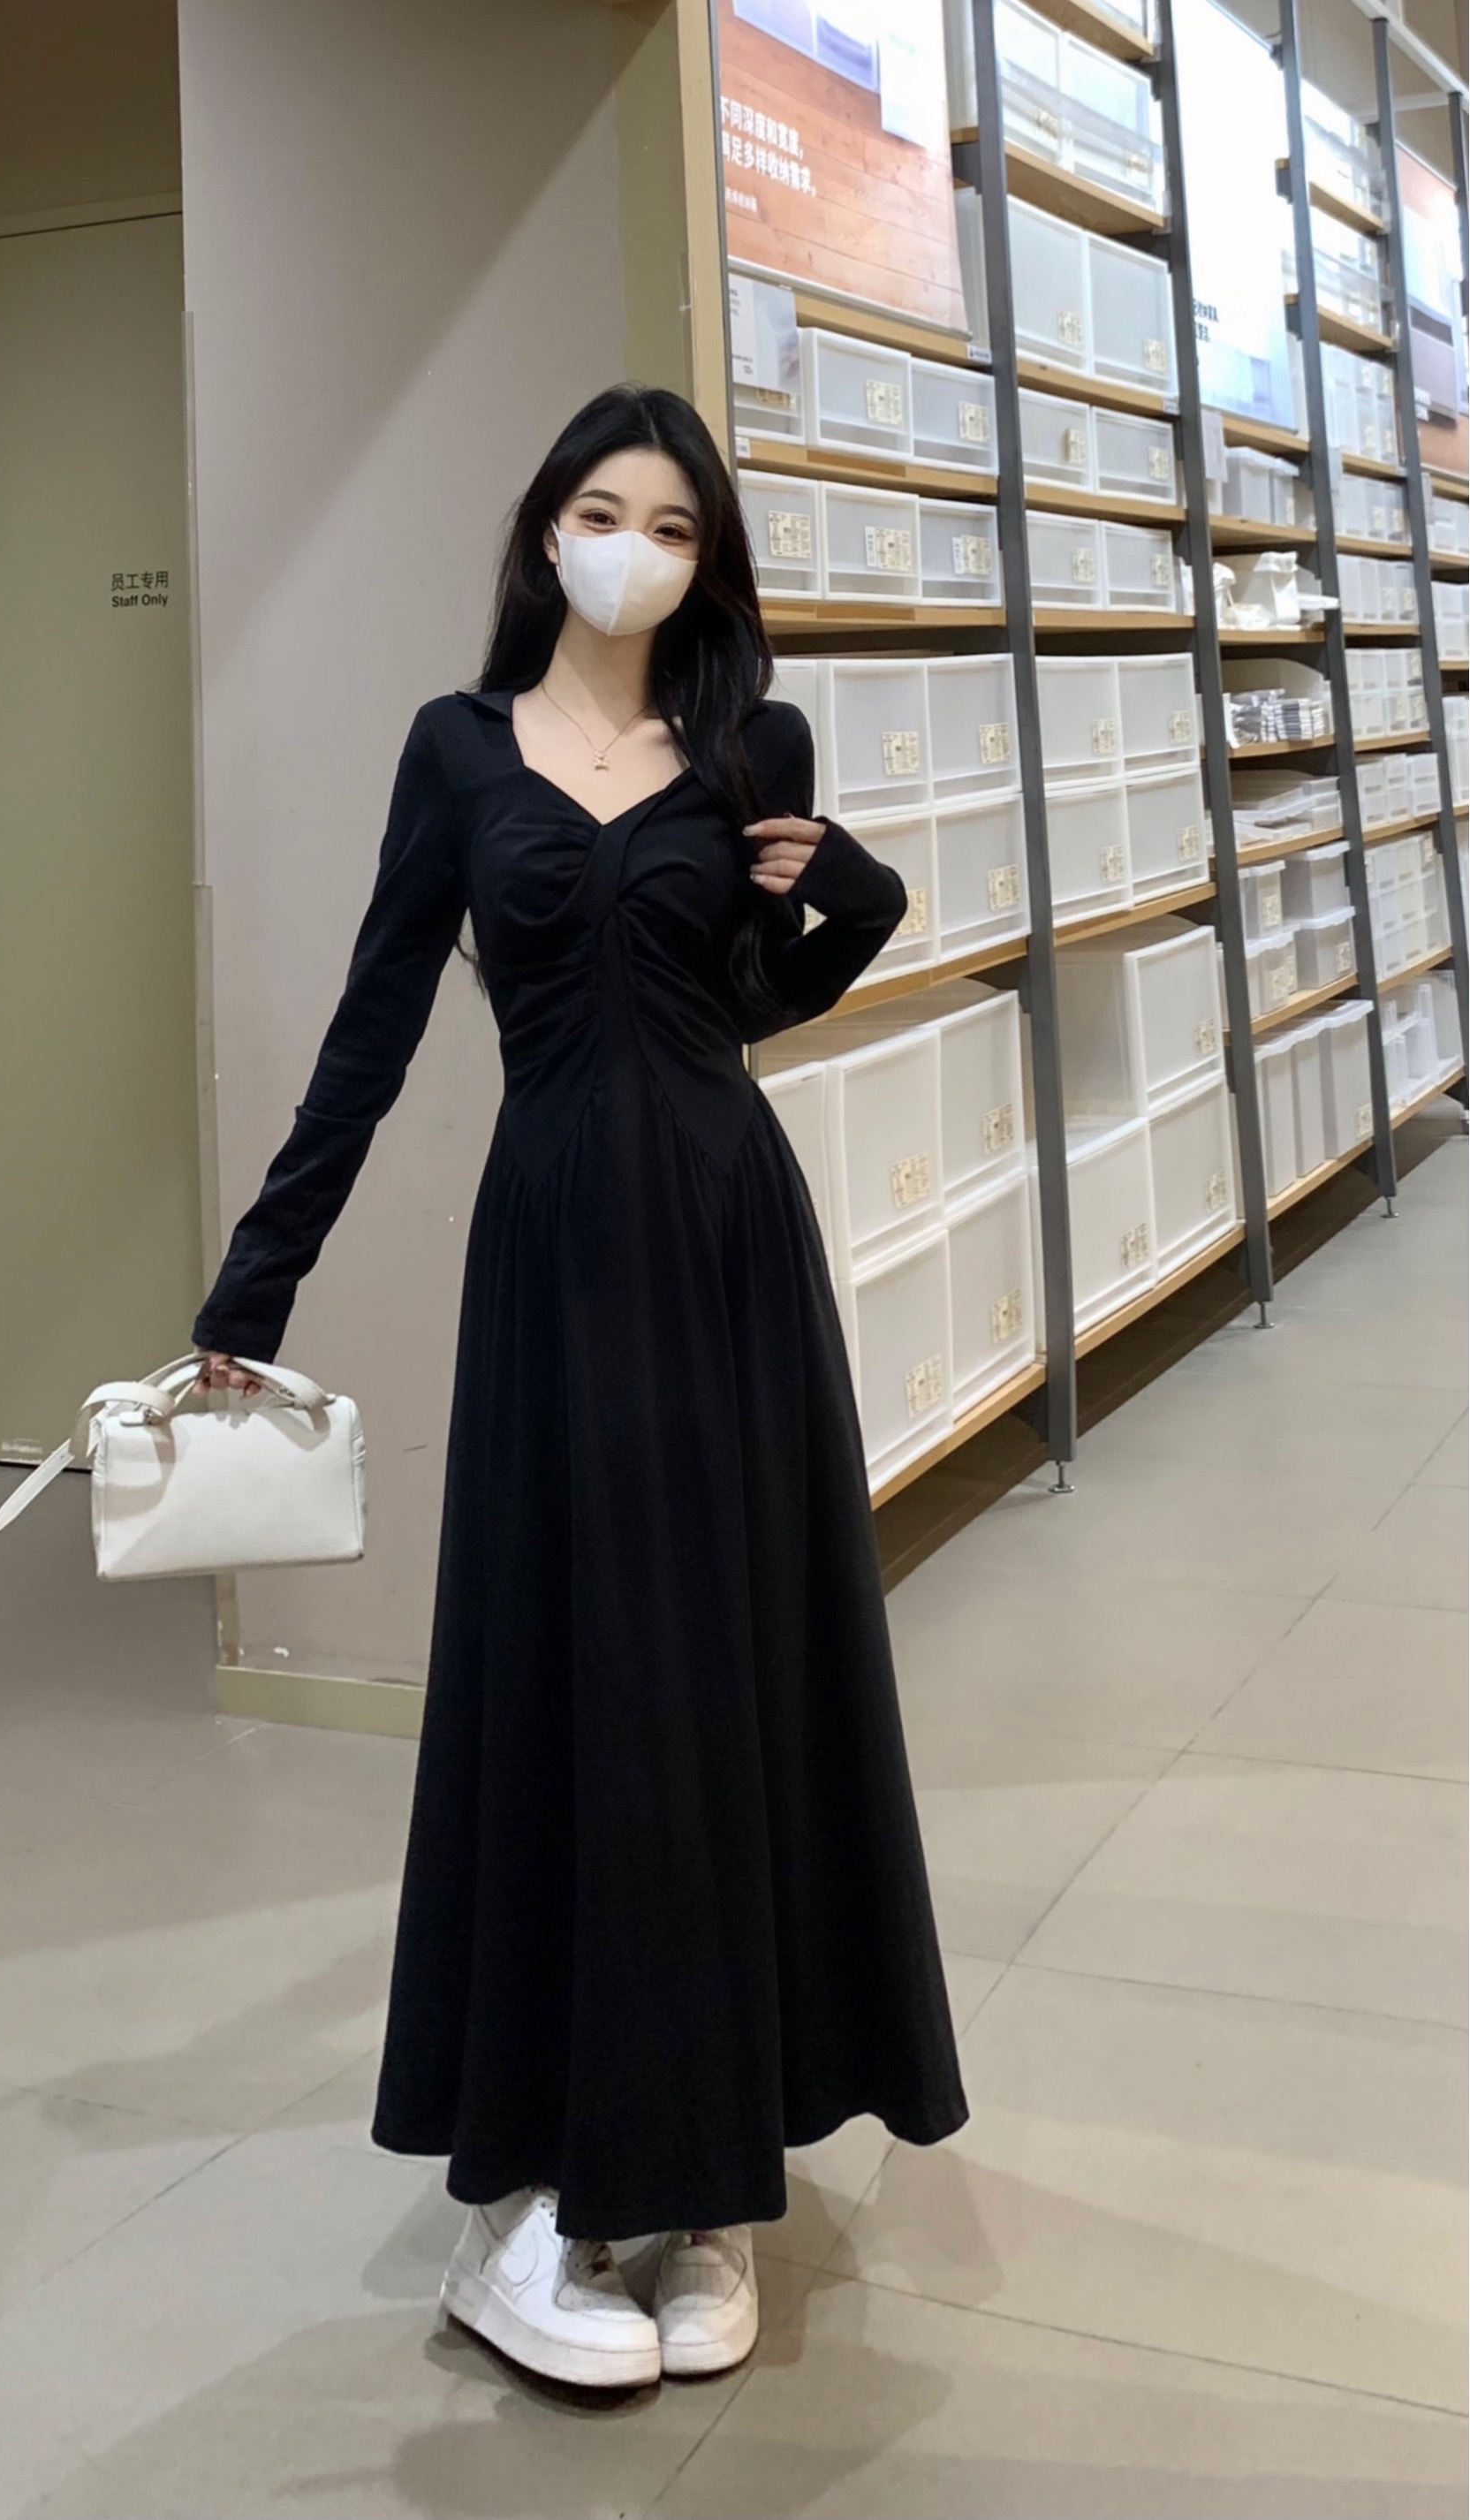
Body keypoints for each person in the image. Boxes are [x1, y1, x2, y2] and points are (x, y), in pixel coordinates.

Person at [193, 383, 966, 2390]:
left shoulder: (751, 745)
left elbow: (747, 1005)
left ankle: (705, 2186)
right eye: (607, 512)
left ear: (707, 563)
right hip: (552, 1256)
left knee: (722, 1680)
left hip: (724, 1242)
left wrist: (853, 901)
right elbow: (374, 1025)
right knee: (569, 1686)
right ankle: (531, 2199)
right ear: (547, 530)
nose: (638, 549)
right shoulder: (455, 750)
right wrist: (256, 1282)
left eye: (676, 526)